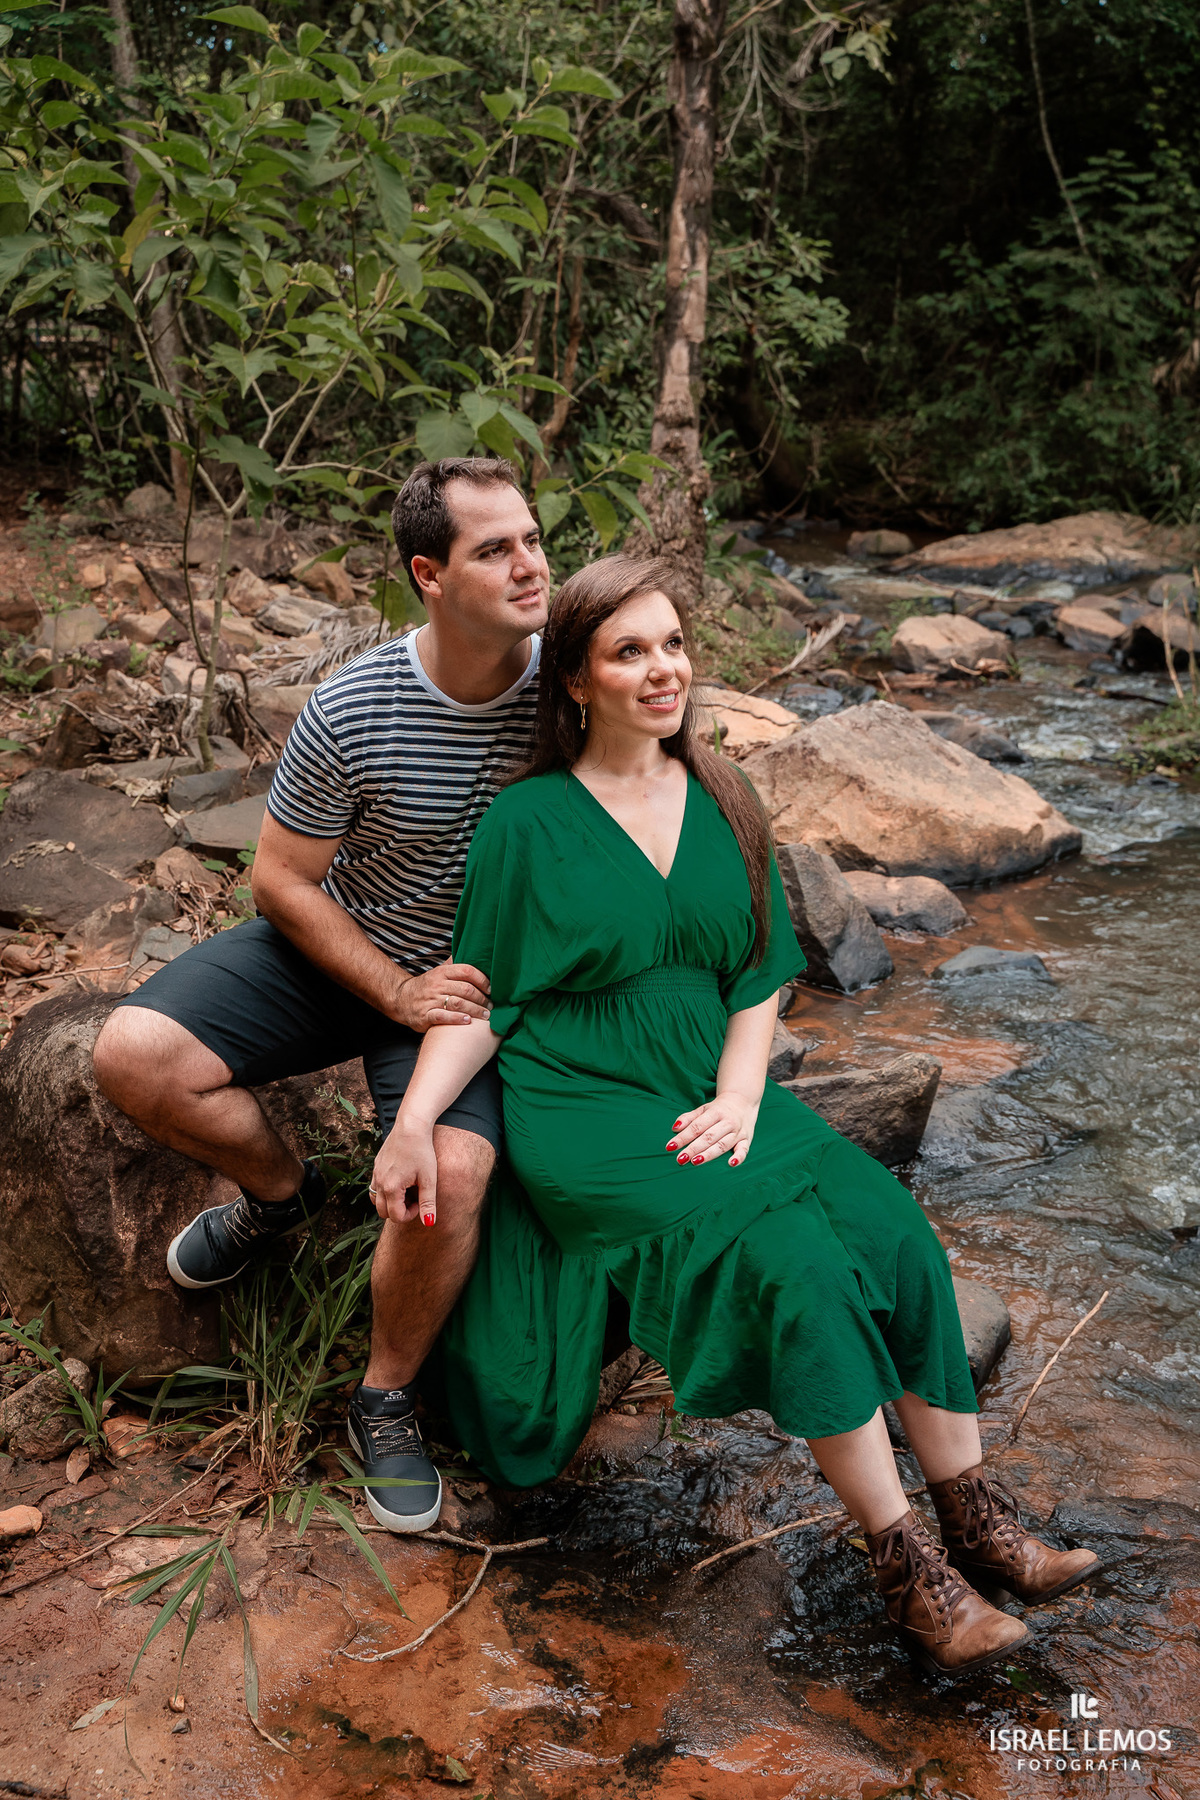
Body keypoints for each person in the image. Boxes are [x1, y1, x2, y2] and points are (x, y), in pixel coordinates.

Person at [370, 554, 1101, 1676]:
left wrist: (743, 1091)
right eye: (629, 651)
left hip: (710, 1087)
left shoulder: (726, 793)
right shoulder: (527, 821)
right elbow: (487, 997)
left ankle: (978, 1517)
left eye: (671, 644)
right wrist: (416, 1119)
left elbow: (758, 976)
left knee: (895, 1230)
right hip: (586, 1108)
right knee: (788, 1259)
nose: (662, 670)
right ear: (574, 679)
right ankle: (907, 1571)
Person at [92, 456, 550, 1535]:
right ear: (429, 575)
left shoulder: (564, 690)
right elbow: (281, 880)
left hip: (472, 995)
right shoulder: (356, 707)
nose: (530, 564)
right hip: (344, 955)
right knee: (130, 1055)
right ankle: (277, 1197)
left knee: (449, 1173)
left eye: (533, 538)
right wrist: (392, 988)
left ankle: (383, 1395)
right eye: (497, 549)